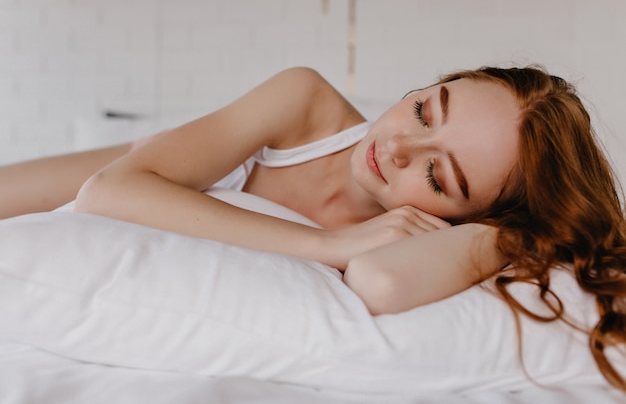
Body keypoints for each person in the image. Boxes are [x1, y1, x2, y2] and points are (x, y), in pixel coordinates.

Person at [0, 65, 625, 390]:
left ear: (469, 216)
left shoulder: (438, 237)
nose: (401, 146)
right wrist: (321, 246)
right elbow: (108, 192)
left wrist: (513, 236)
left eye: (440, 178)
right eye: (422, 109)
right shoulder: (305, 103)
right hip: (144, 161)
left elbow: (381, 283)